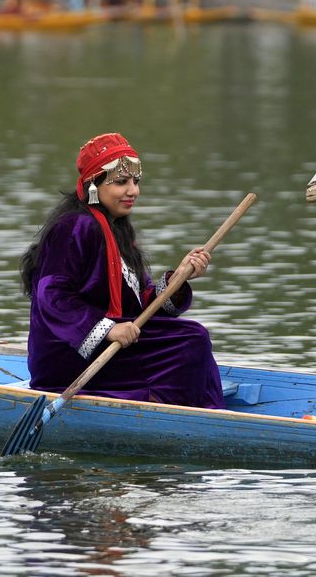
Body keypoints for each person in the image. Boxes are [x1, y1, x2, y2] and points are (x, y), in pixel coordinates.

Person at [20, 132, 225, 409]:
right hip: (68, 354)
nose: (133, 191)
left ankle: (176, 408)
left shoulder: (117, 230)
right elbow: (52, 296)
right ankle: (158, 405)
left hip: (111, 346)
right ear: (94, 184)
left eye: (135, 182)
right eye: (121, 182)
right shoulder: (74, 227)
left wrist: (178, 279)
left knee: (192, 337)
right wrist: (107, 330)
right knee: (190, 341)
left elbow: (138, 307)